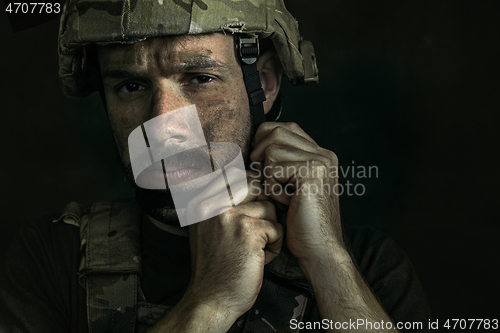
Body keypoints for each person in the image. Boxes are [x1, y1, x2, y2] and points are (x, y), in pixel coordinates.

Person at [0, 0, 431, 332]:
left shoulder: (368, 266)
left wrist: (328, 262)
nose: (162, 122)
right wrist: (207, 303)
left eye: (199, 78)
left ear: (262, 85)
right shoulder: (52, 258)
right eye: (131, 86)